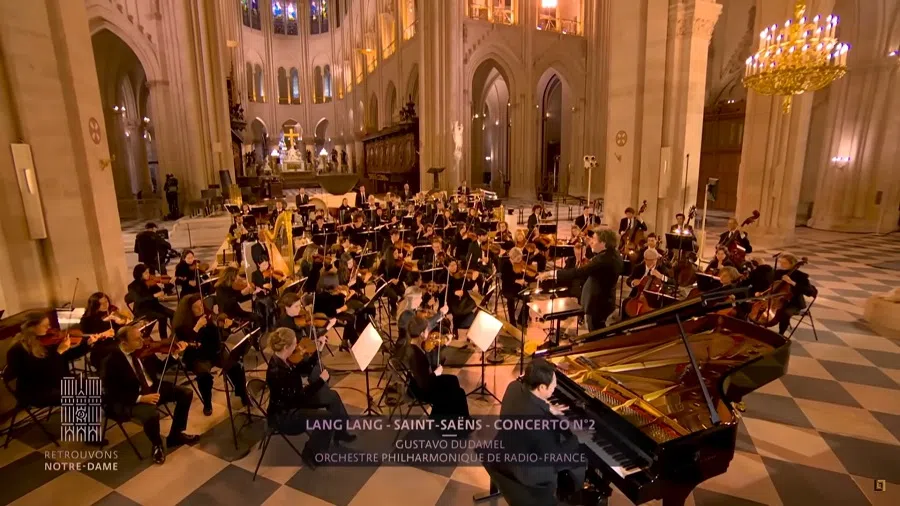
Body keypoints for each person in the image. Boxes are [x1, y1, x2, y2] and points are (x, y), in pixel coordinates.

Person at [495, 359, 600, 506]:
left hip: (505, 446)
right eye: (553, 387)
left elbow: (529, 400)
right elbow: (553, 457)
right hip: (527, 472)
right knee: (580, 461)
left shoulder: (513, 386)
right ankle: (570, 498)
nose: (555, 389)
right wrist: (577, 438)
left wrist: (547, 406)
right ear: (542, 387)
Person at [102, 325, 199, 465]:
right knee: (151, 414)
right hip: (130, 398)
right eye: (137, 339)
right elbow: (112, 393)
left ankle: (175, 435)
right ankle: (157, 445)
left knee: (186, 393)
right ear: (124, 344)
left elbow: (160, 367)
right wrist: (141, 398)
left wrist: (175, 354)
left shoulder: (142, 350)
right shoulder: (111, 362)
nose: (143, 341)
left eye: (141, 336)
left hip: (151, 387)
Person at [265, 327, 355, 468]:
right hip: (285, 415)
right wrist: (320, 381)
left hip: (295, 402)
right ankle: (310, 452)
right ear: (286, 347)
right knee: (326, 418)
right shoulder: (278, 372)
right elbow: (300, 398)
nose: (298, 345)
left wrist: (318, 351)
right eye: (295, 343)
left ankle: (340, 432)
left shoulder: (286, 359)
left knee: (333, 396)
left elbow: (305, 368)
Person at [172, 294, 249, 415]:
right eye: (196, 307)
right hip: (198, 356)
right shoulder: (182, 326)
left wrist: (224, 326)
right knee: (204, 376)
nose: (200, 309)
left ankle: (243, 395)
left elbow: (218, 337)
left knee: (235, 366)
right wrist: (197, 327)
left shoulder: (208, 317)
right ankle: (207, 403)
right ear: (189, 311)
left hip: (215, 351)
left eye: (201, 305)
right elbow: (188, 342)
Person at [4, 312, 96, 409]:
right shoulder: (18, 350)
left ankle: (102, 411)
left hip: (53, 382)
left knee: (91, 386)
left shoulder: (42, 340)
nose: (49, 328)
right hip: (37, 390)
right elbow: (39, 373)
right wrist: (59, 352)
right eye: (45, 325)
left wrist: (87, 345)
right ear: (31, 327)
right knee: (80, 395)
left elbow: (66, 356)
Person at [538, 229, 623, 331]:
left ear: (603, 243)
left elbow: (579, 272)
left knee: (595, 333)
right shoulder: (613, 254)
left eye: (594, 240)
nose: (591, 242)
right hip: (603, 302)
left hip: (597, 304)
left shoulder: (603, 259)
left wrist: (550, 273)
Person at [399, 315, 469, 421]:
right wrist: (436, 373)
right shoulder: (416, 356)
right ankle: (455, 421)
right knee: (458, 393)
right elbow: (424, 384)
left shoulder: (412, 345)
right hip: (420, 390)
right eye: (427, 330)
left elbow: (423, 373)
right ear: (422, 334)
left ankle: (446, 415)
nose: (429, 332)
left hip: (417, 383)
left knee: (453, 380)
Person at [765, 254, 815, 334]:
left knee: (784, 313)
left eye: (784, 263)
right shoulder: (778, 273)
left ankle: (781, 334)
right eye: (781, 262)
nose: (781, 265)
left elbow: (810, 292)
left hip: (794, 302)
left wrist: (792, 283)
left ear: (792, 264)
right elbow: (771, 286)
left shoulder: (801, 276)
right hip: (776, 300)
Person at [80, 292, 128, 368]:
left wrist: (119, 321)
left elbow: (124, 321)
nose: (106, 305)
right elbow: (87, 339)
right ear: (95, 305)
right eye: (101, 303)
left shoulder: (111, 311)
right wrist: (104, 332)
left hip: (116, 343)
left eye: (106, 302)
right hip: (100, 349)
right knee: (118, 352)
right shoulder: (86, 319)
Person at [128, 264, 175, 340]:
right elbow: (139, 299)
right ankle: (164, 339)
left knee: (173, 314)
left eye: (148, 272)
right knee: (162, 317)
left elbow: (160, 291)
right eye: (146, 273)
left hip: (154, 306)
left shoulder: (150, 282)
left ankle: (173, 336)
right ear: (140, 274)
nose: (148, 274)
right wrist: (153, 296)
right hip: (142, 310)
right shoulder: (132, 286)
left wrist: (171, 284)